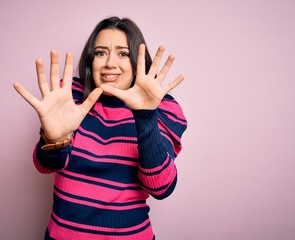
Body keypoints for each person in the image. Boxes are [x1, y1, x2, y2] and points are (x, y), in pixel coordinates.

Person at [13, 16, 187, 240]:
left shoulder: (162, 107)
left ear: (137, 61)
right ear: (90, 59)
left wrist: (145, 116)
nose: (109, 63)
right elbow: (45, 165)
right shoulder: (70, 97)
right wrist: (53, 138)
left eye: (123, 53)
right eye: (101, 52)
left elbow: (160, 188)